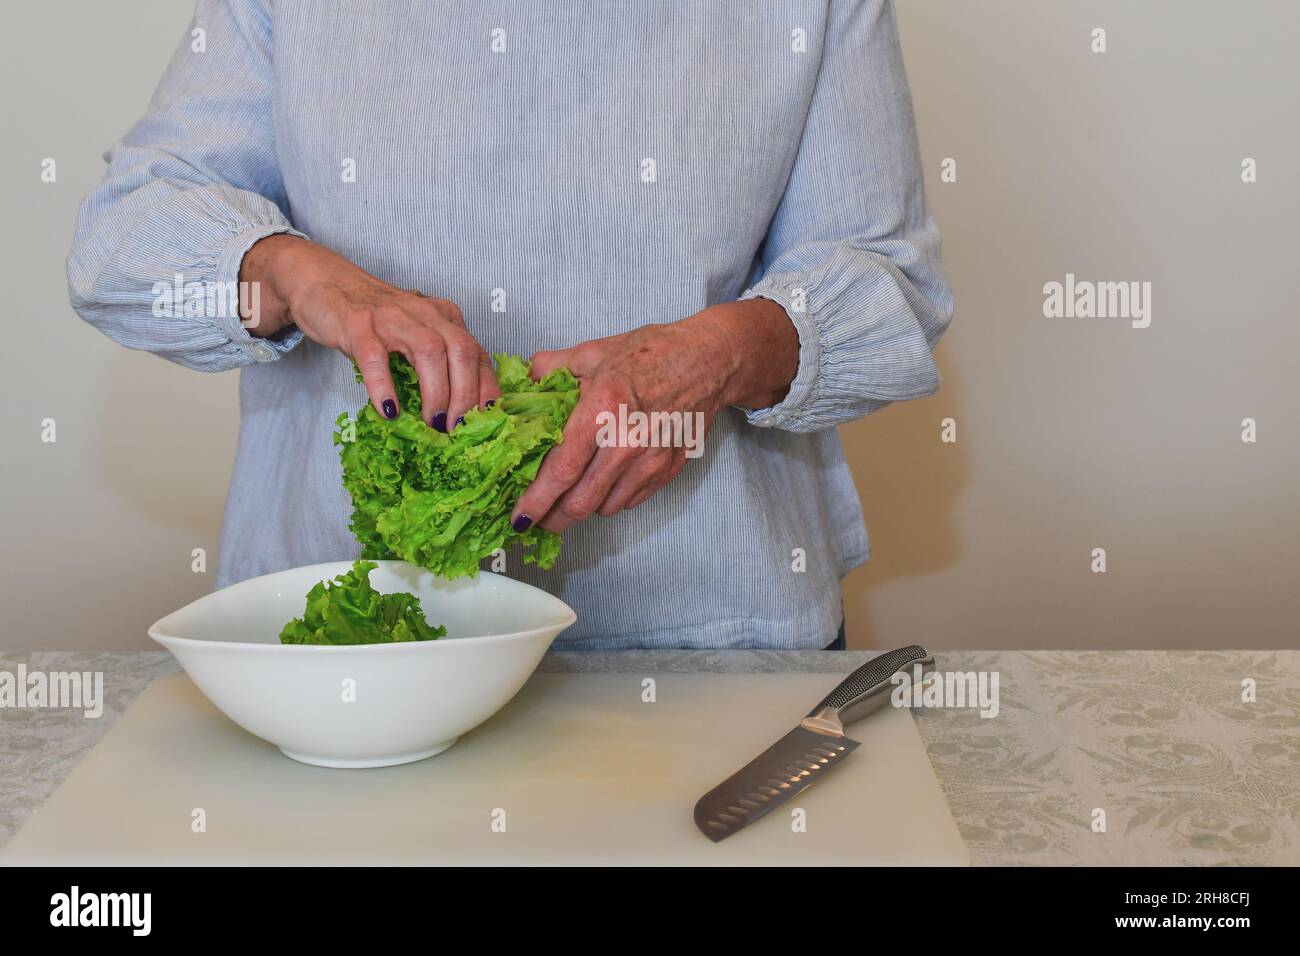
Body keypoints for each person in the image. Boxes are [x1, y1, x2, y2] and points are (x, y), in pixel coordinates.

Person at [68, 0, 953, 650]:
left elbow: (894, 284)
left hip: (702, 630)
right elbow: (119, 241)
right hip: (356, 645)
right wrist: (291, 273)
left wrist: (720, 356)